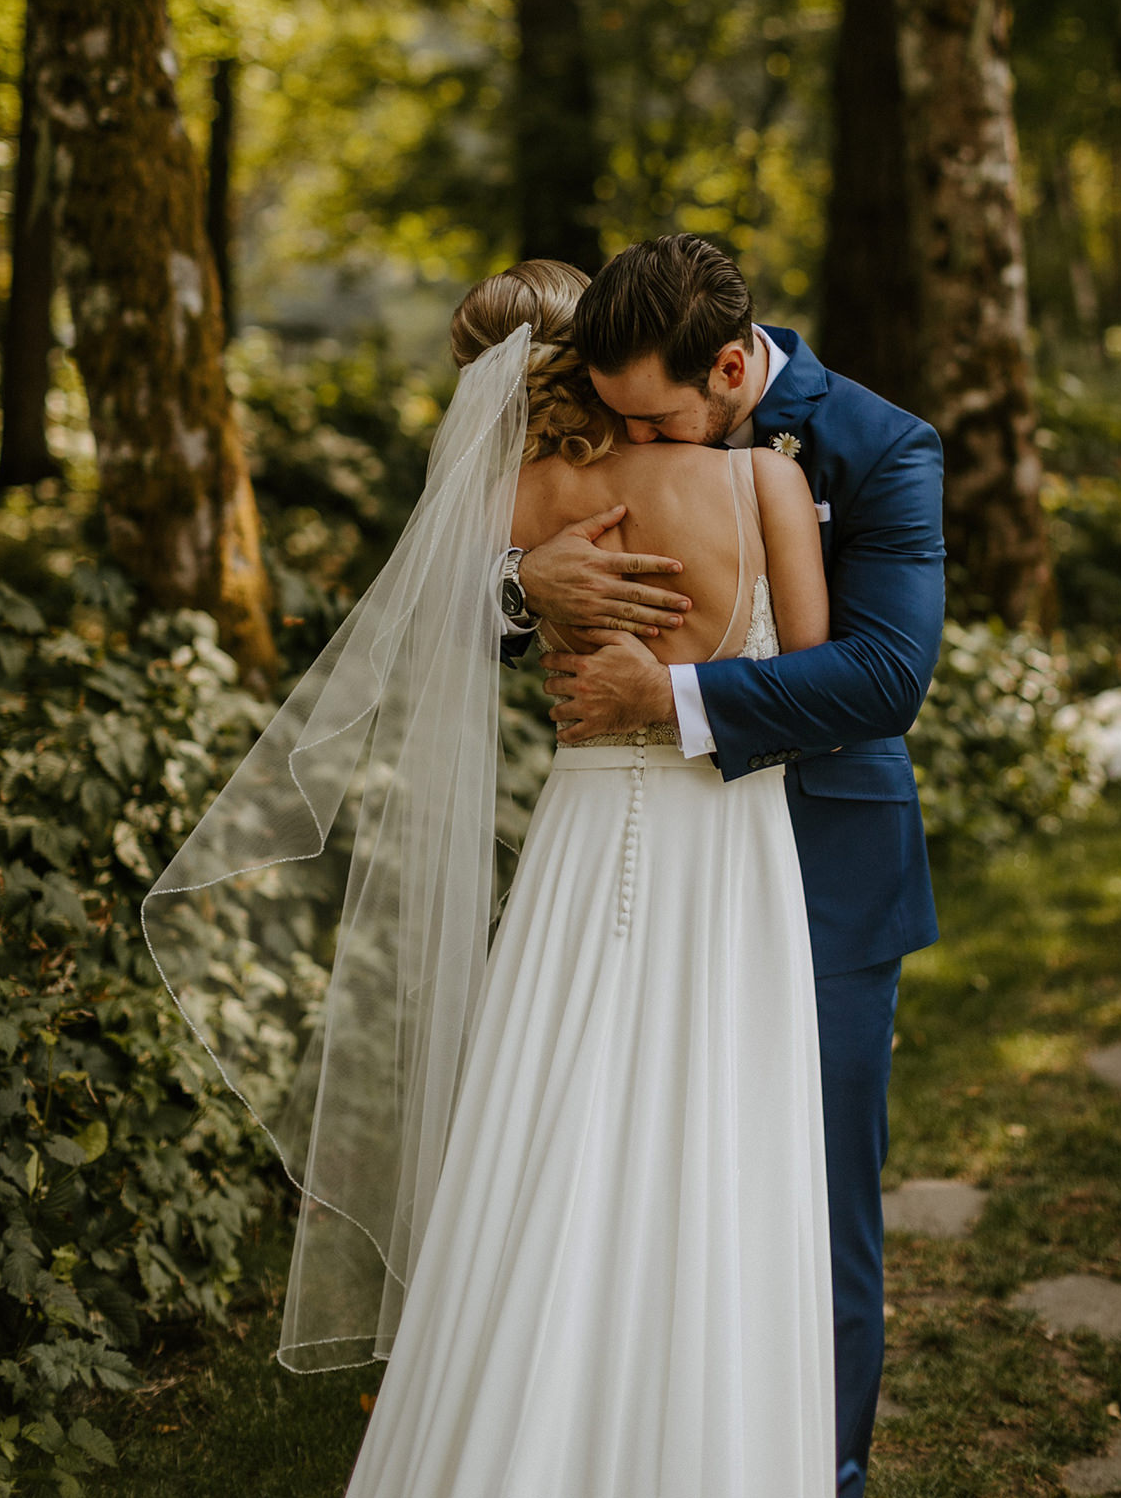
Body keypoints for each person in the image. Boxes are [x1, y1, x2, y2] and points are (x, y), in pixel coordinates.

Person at [143, 259, 837, 1498]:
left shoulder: (520, 497)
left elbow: (421, 628)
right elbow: (812, 694)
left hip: (581, 850)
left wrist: (524, 577)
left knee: (550, 1126)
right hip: (729, 850)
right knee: (718, 1136)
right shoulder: (767, 483)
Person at [525, 234, 945, 1498]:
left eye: (653, 420)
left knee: (816, 1209)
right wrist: (524, 588)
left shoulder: (879, 446)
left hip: (820, 878)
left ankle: (825, 1470)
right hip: (649, 872)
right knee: (631, 1171)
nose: (635, 446)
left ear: (724, 369)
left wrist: (671, 695)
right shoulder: (621, 414)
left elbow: (884, 676)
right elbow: (509, 561)